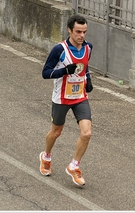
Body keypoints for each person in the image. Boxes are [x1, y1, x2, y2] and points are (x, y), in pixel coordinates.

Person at [39, 14, 93, 187]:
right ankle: (46, 156)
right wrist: (64, 71)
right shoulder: (59, 50)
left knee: (87, 133)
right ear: (69, 30)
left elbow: (85, 66)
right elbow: (45, 73)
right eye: (78, 31)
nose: (82, 36)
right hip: (61, 98)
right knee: (56, 132)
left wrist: (88, 79)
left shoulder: (88, 48)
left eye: (84, 32)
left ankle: (74, 166)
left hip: (80, 97)